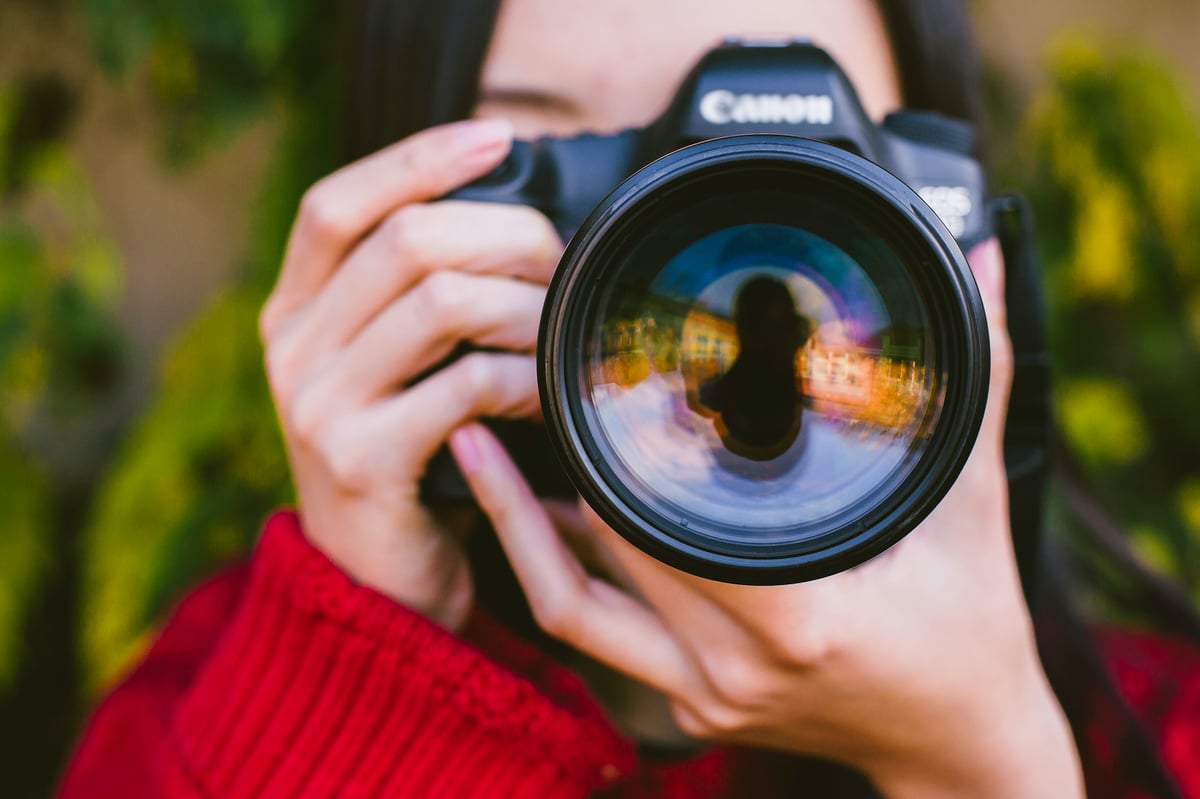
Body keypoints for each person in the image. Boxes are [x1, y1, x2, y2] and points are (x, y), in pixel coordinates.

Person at [57, 1, 1200, 797]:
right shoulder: (227, 687)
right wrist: (363, 659)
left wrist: (983, 760)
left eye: (785, 161)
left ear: (959, 243)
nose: (682, 224)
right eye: (575, 147)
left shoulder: (1162, 728)